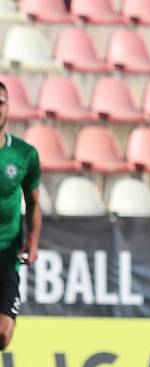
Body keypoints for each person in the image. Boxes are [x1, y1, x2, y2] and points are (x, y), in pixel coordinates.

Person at [0, 81, 42, 349]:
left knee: (3, 334)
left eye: (0, 102)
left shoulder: (25, 154)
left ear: (7, 108)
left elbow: (34, 203)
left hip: (6, 256)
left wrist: (34, 239)